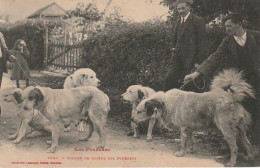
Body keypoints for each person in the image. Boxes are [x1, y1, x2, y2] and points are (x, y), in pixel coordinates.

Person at [184, 12, 260, 147]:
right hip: (240, 83)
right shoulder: (227, 42)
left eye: (229, 26)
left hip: (258, 79)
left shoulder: (257, 36)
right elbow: (215, 57)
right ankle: (247, 146)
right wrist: (197, 73)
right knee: (245, 114)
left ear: (239, 24)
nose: (227, 29)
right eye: (225, 26)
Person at [164, 0, 208, 91]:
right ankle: (169, 102)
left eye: (183, 8)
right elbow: (176, 40)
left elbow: (202, 43)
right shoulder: (177, 22)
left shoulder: (197, 20)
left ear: (189, 7)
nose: (180, 11)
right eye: (178, 9)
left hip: (191, 59)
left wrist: (198, 62)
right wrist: (174, 50)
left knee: (189, 85)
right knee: (169, 79)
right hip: (177, 58)